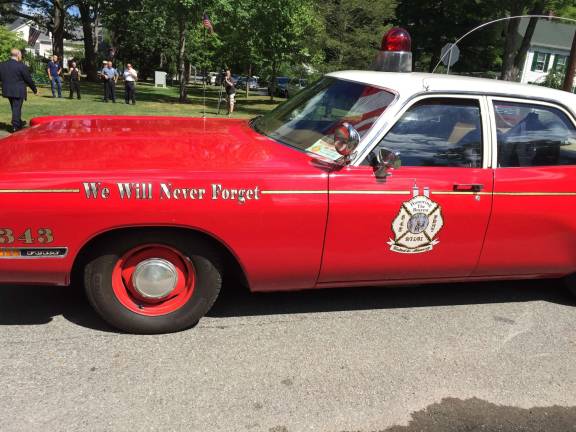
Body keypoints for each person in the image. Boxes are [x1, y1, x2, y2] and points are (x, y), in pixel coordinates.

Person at [0, 48, 37, 133]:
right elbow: (28, 79)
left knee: (15, 107)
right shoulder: (21, 66)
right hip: (18, 91)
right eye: (20, 54)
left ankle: (18, 121)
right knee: (16, 108)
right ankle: (15, 126)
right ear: (17, 55)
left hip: (7, 90)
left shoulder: (2, 65)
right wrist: (34, 89)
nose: (21, 56)